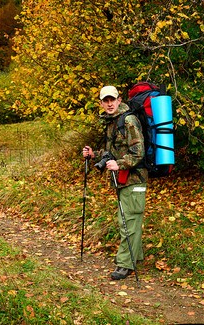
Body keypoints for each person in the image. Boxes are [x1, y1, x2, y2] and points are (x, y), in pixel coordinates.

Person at [82, 85, 147, 280]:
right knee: (128, 220)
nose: (110, 104)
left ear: (119, 100)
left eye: (113, 100)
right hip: (123, 180)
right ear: (101, 103)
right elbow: (115, 151)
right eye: (106, 101)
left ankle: (125, 264)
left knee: (128, 222)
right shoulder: (113, 122)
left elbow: (138, 152)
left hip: (134, 179)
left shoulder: (128, 120)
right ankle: (136, 257)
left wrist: (118, 164)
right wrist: (96, 154)